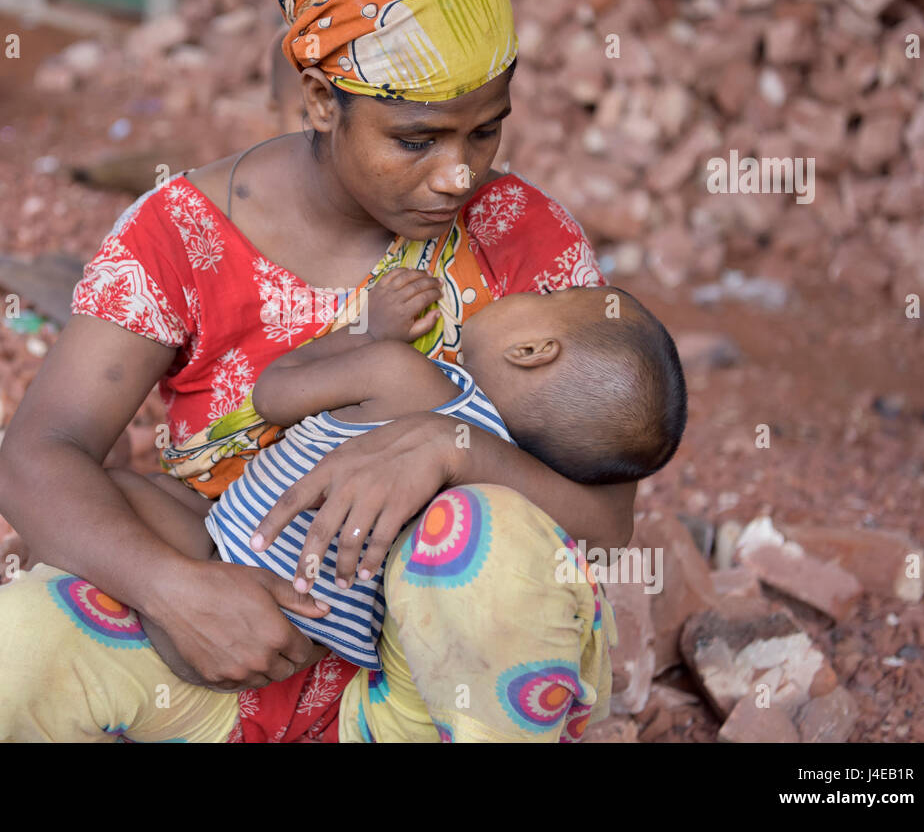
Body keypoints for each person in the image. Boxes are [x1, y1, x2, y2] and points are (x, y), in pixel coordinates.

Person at [0, 0, 639, 743]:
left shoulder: (523, 237)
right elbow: (34, 461)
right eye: (416, 139)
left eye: (484, 131)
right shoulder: (182, 236)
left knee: (483, 543)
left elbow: (605, 521)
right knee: (14, 656)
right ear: (319, 101)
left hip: (429, 683)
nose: (459, 173)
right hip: (220, 646)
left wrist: (455, 451)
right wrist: (174, 589)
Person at [96, 273, 685, 677]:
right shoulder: (514, 484)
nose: (530, 288)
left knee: (120, 490)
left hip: (227, 568)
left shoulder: (399, 374)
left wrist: (367, 335)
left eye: (549, 291)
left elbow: (273, 394)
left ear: (532, 350)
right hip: (326, 653)